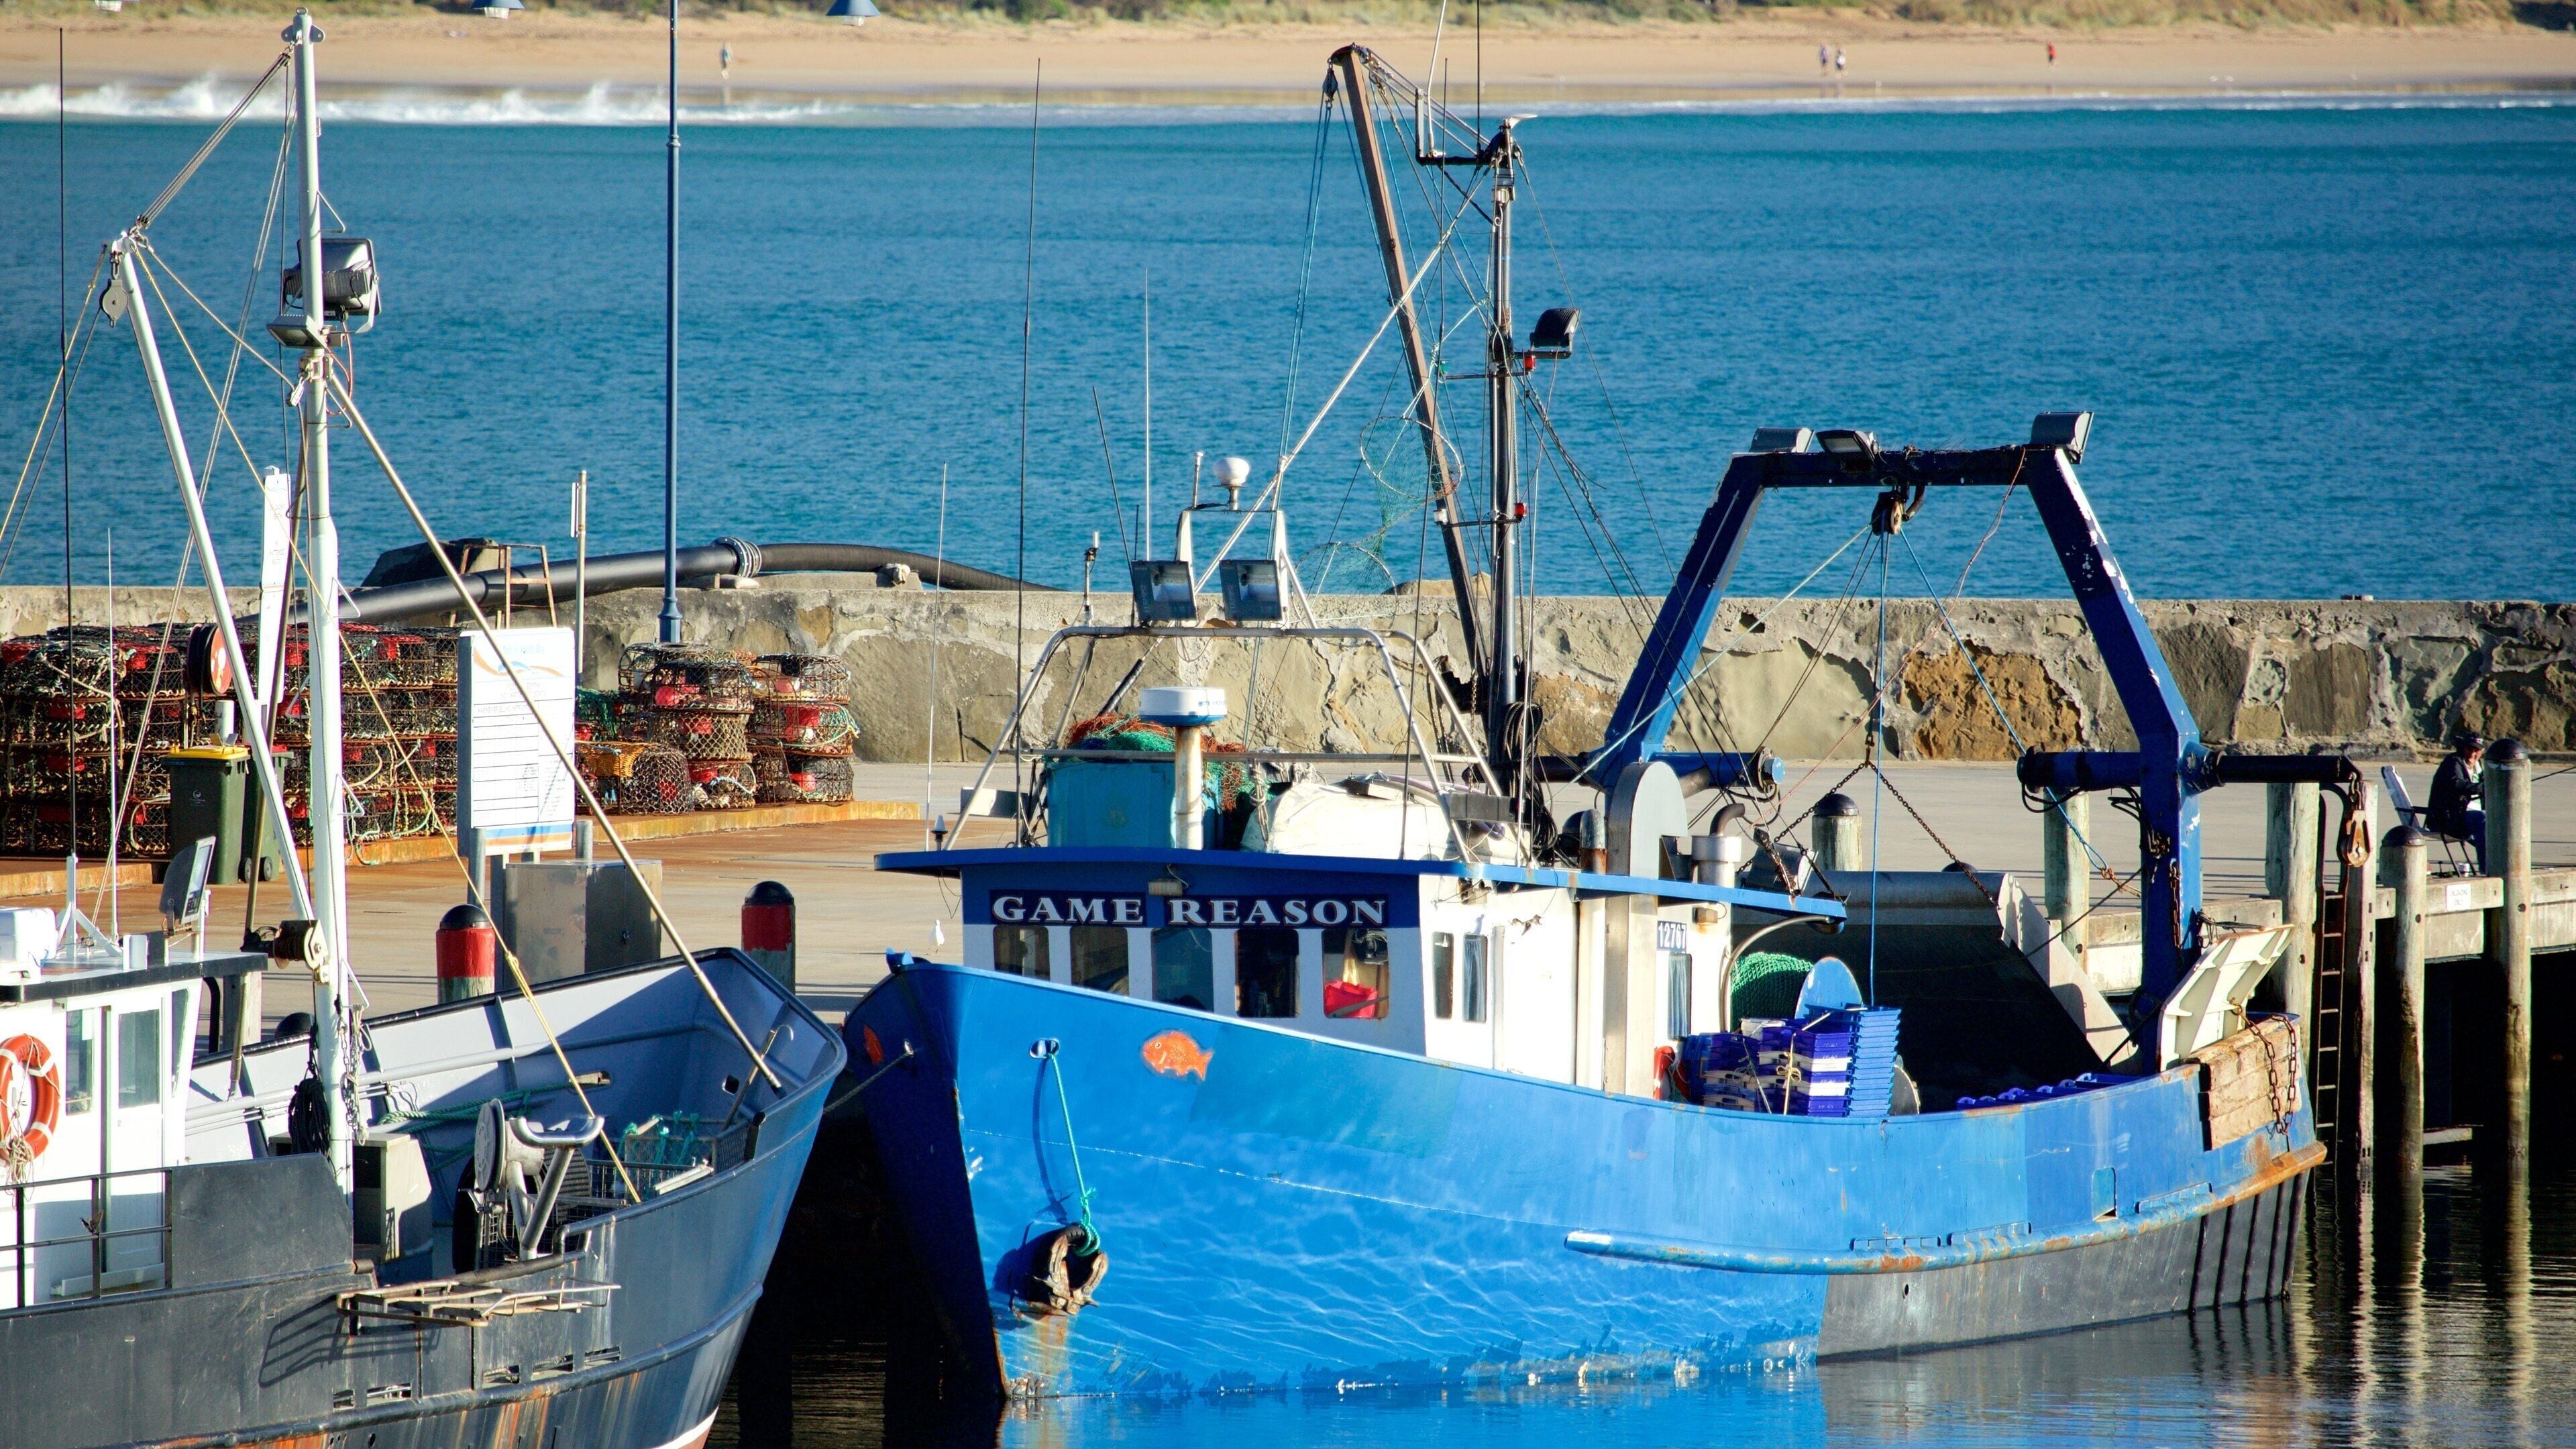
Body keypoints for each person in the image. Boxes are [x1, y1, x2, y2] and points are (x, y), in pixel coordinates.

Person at [2427, 731, 2487, 872]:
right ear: (2463, 748)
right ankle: (2487, 869)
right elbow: (2457, 784)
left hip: (2469, 817)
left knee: (2498, 820)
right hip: (2449, 820)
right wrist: (2482, 788)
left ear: (2482, 751)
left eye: (2477, 750)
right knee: (2483, 819)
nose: (2472, 754)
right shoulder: (2453, 762)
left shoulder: (2479, 766)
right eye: (2469, 749)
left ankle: (2500, 864)